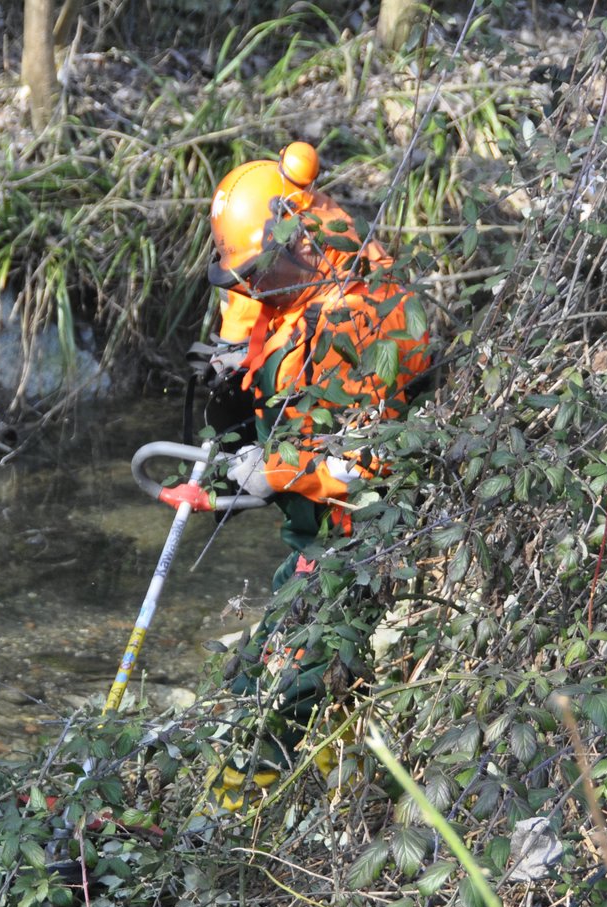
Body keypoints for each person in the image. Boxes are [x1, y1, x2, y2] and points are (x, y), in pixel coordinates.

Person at [186, 141, 435, 810]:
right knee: (254, 678)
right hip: (313, 529)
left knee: (282, 684)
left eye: (256, 276)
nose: (251, 290)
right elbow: (248, 303)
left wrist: (263, 472)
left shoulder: (365, 315)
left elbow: (358, 459)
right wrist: (232, 376)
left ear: (292, 244)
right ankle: (326, 786)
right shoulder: (283, 269)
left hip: (359, 537)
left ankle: (241, 816)